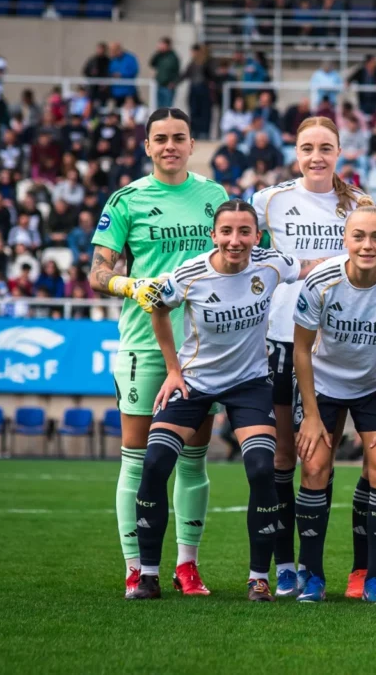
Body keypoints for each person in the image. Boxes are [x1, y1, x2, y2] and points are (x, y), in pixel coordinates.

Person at [129, 201, 306, 601]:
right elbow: (157, 307)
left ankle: (258, 578)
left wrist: (369, 256)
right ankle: (149, 575)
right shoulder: (189, 273)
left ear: (257, 236)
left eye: (244, 231)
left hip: (249, 383)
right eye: (226, 231)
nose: (235, 240)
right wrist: (173, 370)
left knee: (261, 469)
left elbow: (310, 266)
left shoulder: (272, 264)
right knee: (155, 463)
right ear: (214, 235)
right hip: (195, 382)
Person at [89, 108, 230, 599]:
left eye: (179, 137)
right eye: (161, 138)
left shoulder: (215, 197)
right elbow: (97, 273)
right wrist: (130, 285)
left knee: (193, 459)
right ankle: (136, 568)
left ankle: (187, 566)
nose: (170, 146)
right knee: (136, 459)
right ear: (147, 146)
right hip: (144, 344)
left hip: (203, 350)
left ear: (192, 144)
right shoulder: (126, 199)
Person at [249, 116, 370, 599]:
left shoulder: (359, 203)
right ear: (295, 152)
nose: (316, 156)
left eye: (325, 148)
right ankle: (285, 566)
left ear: (340, 151)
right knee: (284, 456)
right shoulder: (269, 199)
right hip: (282, 338)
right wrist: (292, 267)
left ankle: (320, 568)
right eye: (307, 148)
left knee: (322, 458)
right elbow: (236, 243)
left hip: (338, 343)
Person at [291, 207, 376, 604]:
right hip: (323, 385)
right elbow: (301, 349)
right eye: (359, 236)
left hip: (375, 386)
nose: (367, 245)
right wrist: (311, 415)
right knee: (315, 467)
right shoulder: (320, 281)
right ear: (345, 240)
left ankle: (373, 580)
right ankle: (312, 576)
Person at [149, 37, 180, 109]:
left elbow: (177, 72)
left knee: (167, 108)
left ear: (167, 45)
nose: (160, 46)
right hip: (159, 85)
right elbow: (152, 63)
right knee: (159, 108)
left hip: (168, 87)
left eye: (162, 44)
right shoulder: (160, 56)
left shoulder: (173, 57)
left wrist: (173, 83)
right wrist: (158, 52)